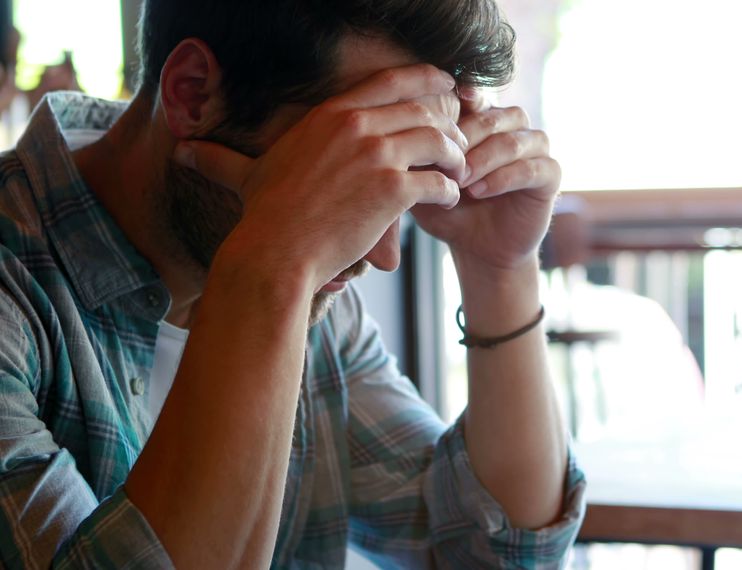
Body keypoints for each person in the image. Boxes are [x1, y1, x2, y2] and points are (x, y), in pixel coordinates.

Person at [0, 0, 584, 568]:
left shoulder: (319, 298)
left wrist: (499, 271)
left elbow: (497, 551)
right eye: (330, 165)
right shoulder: (18, 287)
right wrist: (272, 266)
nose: (379, 256)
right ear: (193, 92)